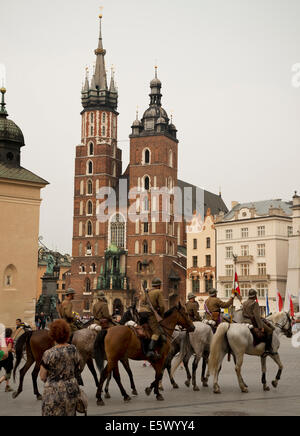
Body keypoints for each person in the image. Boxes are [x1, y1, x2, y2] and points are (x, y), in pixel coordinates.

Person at [40, 319, 81, 416]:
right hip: (71, 390)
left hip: (53, 392)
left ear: (52, 335)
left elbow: (42, 376)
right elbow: (77, 367)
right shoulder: (73, 349)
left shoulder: (48, 353)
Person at [242, 289, 275, 355]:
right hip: (252, 321)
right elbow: (257, 316)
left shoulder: (244, 303)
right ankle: (268, 349)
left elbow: (243, 313)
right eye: (256, 295)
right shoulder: (255, 303)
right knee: (270, 331)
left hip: (244, 321)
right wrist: (261, 327)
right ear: (254, 296)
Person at [139, 277, 165, 360]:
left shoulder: (146, 292)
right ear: (159, 285)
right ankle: (150, 350)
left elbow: (141, 303)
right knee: (157, 332)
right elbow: (162, 306)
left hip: (141, 312)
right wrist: (160, 314)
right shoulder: (158, 292)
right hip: (149, 313)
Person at [0, 328, 14, 392]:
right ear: (10, 333)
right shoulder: (9, 339)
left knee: (6, 371)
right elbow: (9, 349)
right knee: (8, 372)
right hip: (7, 357)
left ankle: (7, 386)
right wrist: (14, 351)